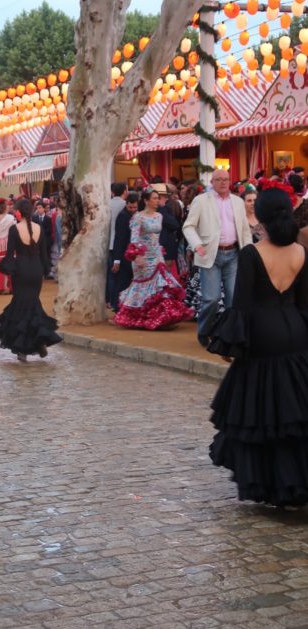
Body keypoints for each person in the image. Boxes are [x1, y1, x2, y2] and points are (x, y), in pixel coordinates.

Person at [207, 188, 308, 506]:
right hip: (296, 332)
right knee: (295, 412)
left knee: (263, 413)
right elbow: (305, 305)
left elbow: (242, 305)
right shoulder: (301, 252)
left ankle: (273, 484)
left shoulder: (251, 253)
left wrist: (231, 343)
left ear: (260, 218)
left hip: (263, 335)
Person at [182, 169, 252, 347]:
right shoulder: (201, 201)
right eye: (218, 179)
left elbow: (244, 229)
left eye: (226, 179)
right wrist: (197, 245)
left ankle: (227, 336)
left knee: (232, 300)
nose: (222, 182)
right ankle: (204, 330)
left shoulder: (237, 202)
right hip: (210, 254)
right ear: (211, 182)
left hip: (234, 254)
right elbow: (188, 226)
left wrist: (249, 250)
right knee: (211, 299)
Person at [114, 187, 194, 330]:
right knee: (143, 286)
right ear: (146, 200)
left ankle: (161, 318)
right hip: (142, 258)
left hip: (157, 256)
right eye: (155, 198)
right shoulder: (137, 217)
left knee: (161, 285)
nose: (158, 201)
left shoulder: (159, 216)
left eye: (158, 198)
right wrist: (137, 255)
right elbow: (134, 238)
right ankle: (141, 317)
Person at [0, 198, 61, 362]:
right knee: (33, 304)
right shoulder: (38, 228)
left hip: (21, 270)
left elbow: (9, 255)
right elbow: (44, 255)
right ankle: (39, 342)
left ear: (18, 212)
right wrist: (45, 271)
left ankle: (22, 348)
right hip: (36, 270)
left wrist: (8, 271)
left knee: (21, 305)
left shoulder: (14, 229)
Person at [110, 191, 140, 311]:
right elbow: (119, 239)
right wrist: (117, 260)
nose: (132, 209)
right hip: (124, 255)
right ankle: (117, 307)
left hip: (132, 255)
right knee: (122, 282)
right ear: (126, 204)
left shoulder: (137, 215)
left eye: (134, 207)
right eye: (130, 207)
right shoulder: (123, 216)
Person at [107, 182, 128, 306]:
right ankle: (118, 302)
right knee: (121, 275)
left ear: (112, 192)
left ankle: (110, 300)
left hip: (108, 243)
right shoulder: (125, 205)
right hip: (122, 243)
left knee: (111, 275)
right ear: (124, 191)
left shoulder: (106, 205)